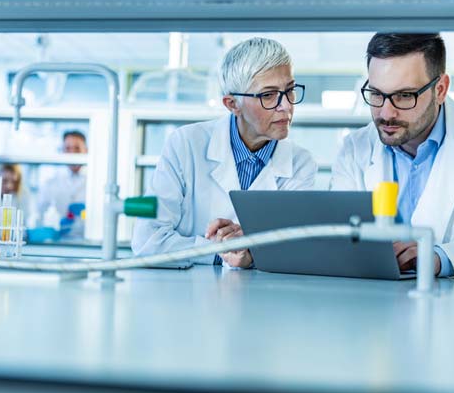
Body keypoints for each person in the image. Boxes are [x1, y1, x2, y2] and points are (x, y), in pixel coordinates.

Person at [132, 37, 317, 268]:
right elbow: (147, 240)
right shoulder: (186, 144)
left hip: (262, 299)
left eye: (289, 90)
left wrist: (249, 255)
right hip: (184, 295)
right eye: (269, 95)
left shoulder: (300, 163)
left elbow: (293, 251)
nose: (287, 106)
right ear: (232, 104)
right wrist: (220, 253)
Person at [331, 33, 454, 277]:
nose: (386, 113)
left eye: (404, 96)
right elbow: (339, 236)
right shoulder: (354, 149)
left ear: (440, 89)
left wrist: (439, 258)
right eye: (377, 94)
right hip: (374, 303)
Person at [37, 130, 88, 219]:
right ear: (62, 151)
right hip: (59, 232)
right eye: (68, 148)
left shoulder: (94, 181)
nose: (72, 153)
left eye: (77, 148)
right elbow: (41, 213)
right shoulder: (51, 183)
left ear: (86, 150)